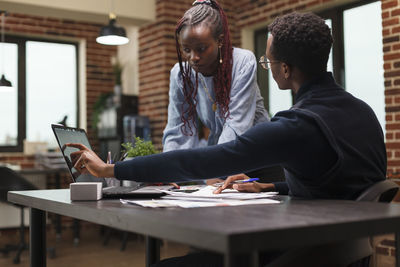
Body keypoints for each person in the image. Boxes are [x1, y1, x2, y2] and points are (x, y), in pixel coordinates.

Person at [67, 12, 386, 266]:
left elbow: (201, 160)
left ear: (285, 69)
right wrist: (272, 186)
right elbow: (340, 189)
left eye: (269, 62)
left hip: (301, 253)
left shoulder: (296, 126)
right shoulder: (363, 113)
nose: (267, 67)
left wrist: (111, 170)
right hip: (346, 254)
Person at [162, 0, 284, 182]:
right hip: (220, 159)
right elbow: (178, 130)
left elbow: (236, 127)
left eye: (201, 49)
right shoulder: (181, 74)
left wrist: (211, 171)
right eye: (186, 50)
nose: (193, 57)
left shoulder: (242, 62)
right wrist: (170, 170)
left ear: (219, 41)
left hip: (260, 158)